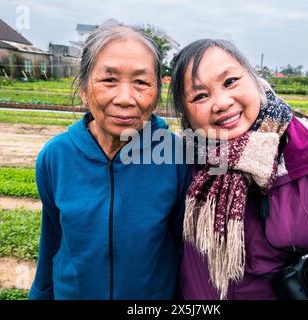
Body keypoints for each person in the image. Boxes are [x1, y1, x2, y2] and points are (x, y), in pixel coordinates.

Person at [169, 39, 308, 300]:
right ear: (186, 114)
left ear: (254, 79)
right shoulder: (181, 159)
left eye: (230, 82)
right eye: (200, 96)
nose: (221, 102)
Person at [29, 24, 190, 300]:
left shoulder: (177, 158)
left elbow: (183, 248)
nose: (125, 98)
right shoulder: (55, 157)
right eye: (109, 80)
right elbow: (53, 240)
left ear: (157, 91)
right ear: (83, 88)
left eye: (141, 82)